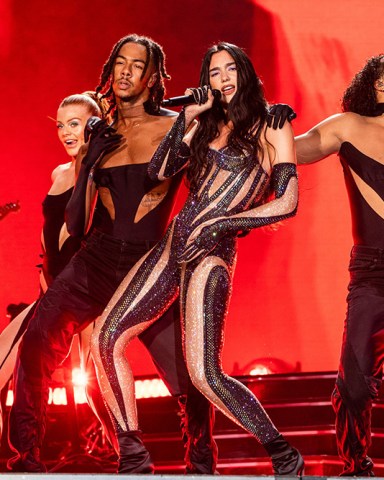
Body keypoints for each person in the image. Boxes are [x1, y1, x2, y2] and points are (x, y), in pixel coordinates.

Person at [90, 41, 303, 476]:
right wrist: (186, 119)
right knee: (104, 339)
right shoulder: (203, 124)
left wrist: (220, 225)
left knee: (204, 373)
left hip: (212, 253)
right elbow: (160, 171)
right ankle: (133, 457)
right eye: (213, 73)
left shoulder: (271, 124)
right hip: (172, 245)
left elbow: (287, 202)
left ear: (245, 72)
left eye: (230, 70)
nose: (222, 79)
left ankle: (283, 454)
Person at [8, 34, 217, 474]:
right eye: (118, 62)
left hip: (151, 265)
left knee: (189, 372)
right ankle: (26, 458)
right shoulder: (101, 134)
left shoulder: (178, 125)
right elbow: (78, 223)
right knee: (36, 345)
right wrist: (89, 163)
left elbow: (210, 187)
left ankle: (201, 461)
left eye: (136, 65)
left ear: (153, 77)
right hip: (96, 261)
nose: (124, 71)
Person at [273, 54, 384, 476]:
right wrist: (272, 123)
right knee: (354, 387)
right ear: (374, 86)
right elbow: (295, 152)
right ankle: (357, 467)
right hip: (374, 275)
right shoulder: (349, 125)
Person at [0, 93, 121, 464]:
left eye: (75, 124)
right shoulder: (59, 173)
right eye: (60, 125)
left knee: (95, 386)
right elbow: (50, 232)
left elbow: (83, 229)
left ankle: (129, 455)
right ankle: (28, 456)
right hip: (51, 288)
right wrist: (43, 281)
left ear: (94, 125)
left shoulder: (104, 170)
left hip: (83, 290)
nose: (65, 132)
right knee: (10, 361)